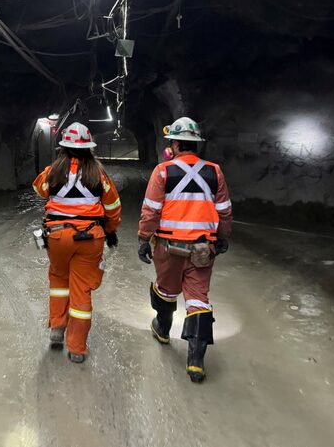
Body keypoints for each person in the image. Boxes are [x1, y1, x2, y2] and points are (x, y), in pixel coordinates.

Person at [137, 117, 232, 382]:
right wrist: (222, 236)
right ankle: (195, 362)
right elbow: (224, 210)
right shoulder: (215, 172)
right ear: (197, 145)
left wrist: (144, 238)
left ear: (176, 144)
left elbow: (151, 210)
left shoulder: (163, 171)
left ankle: (163, 329)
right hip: (203, 248)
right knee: (198, 298)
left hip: (169, 247)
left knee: (166, 290)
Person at [33, 122, 122, 363]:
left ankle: (57, 330)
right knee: (81, 289)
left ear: (63, 147)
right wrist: (111, 230)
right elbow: (113, 207)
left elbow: (39, 189)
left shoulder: (53, 171)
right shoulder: (99, 175)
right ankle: (77, 348)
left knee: (59, 280)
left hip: (57, 236)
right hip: (90, 238)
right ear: (88, 148)